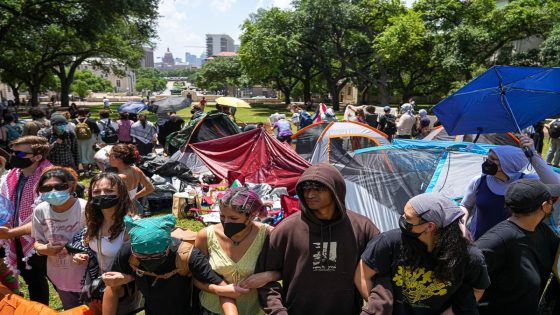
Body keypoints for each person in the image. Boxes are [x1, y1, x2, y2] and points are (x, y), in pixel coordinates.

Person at [256, 163, 380, 315]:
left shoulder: (362, 228)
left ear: (336, 190)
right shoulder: (286, 229)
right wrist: (278, 312)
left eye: (318, 189)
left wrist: (372, 311)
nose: (310, 194)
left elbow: (383, 275)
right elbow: (265, 281)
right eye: (306, 188)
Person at [356, 192, 490, 314]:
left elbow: (477, 289)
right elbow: (362, 274)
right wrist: (382, 310)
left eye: (408, 218)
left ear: (430, 226)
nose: (402, 220)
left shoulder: (469, 257)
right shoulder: (390, 242)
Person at [101, 214, 249, 315]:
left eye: (156, 256)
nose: (149, 261)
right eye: (142, 256)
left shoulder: (188, 255)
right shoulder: (128, 252)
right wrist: (126, 278)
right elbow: (112, 288)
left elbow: (224, 288)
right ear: (134, 248)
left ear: (168, 246)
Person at [475, 179, 560, 314]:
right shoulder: (495, 241)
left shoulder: (541, 231)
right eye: (553, 200)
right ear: (545, 206)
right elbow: (463, 285)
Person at [195, 187, 279, 315]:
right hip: (212, 309)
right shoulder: (205, 236)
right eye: (222, 216)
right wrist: (219, 290)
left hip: (255, 310)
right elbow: (196, 277)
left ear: (252, 216)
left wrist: (268, 276)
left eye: (233, 218)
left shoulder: (269, 235)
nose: (226, 222)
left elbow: (289, 269)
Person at [460, 135, 560, 240]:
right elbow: (465, 205)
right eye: (487, 157)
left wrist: (533, 155)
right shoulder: (479, 181)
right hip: (477, 240)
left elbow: (555, 185)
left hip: (511, 245)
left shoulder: (525, 183)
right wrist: (462, 227)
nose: (487, 162)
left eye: (493, 159)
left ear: (507, 164)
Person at [70, 172, 142, 314]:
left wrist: (126, 278)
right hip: (96, 287)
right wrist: (80, 256)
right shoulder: (94, 221)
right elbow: (88, 246)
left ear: (121, 194)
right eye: (96, 191)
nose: (102, 195)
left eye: (109, 191)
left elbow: (144, 267)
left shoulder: (131, 226)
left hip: (122, 291)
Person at [0, 136, 52, 304]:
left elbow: (45, 218)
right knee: (32, 281)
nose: (13, 156)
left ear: (37, 156)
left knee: (56, 283)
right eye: (12, 152)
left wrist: (10, 233)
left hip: (44, 241)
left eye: (20, 153)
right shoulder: (12, 176)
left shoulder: (49, 179)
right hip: (17, 239)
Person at [31, 166, 87, 310]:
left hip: (87, 275)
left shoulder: (85, 208)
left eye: (59, 186)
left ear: (71, 186)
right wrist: (45, 249)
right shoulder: (40, 210)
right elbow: (38, 242)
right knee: (71, 311)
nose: (53, 192)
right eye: (46, 189)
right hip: (60, 276)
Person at [107, 144, 154, 216]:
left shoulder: (119, 177)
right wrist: (134, 197)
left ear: (118, 159)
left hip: (123, 212)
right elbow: (150, 188)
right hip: (134, 208)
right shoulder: (136, 170)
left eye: (109, 155)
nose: (107, 157)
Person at [73, 108, 100, 176]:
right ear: (86, 113)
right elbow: (97, 130)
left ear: (78, 114)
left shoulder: (73, 121)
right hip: (90, 139)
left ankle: (86, 171)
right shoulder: (91, 120)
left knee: (82, 154)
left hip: (79, 140)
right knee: (91, 154)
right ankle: (92, 170)